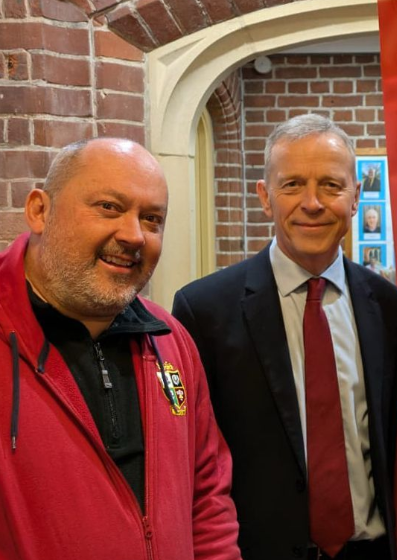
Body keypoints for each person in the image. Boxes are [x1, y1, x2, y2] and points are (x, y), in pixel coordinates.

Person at [173, 114, 397, 560]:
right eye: (293, 185)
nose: (312, 203)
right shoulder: (203, 311)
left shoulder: (390, 308)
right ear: (265, 197)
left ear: (356, 197)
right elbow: (191, 462)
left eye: (331, 185)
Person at [0, 138, 241, 559]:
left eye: (151, 219)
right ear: (40, 211)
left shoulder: (171, 342)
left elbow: (207, 499)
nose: (133, 236)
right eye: (109, 207)